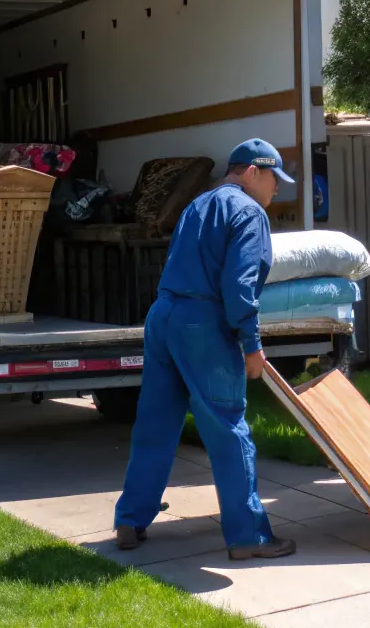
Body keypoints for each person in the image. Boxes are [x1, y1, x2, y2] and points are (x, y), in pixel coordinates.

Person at [114, 139, 297, 560]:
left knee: (155, 425)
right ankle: (249, 536)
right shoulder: (248, 212)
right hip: (203, 324)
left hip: (163, 316)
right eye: (274, 179)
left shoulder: (199, 204)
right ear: (253, 172)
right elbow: (239, 287)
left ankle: (130, 520)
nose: (277, 190)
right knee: (229, 428)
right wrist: (252, 346)